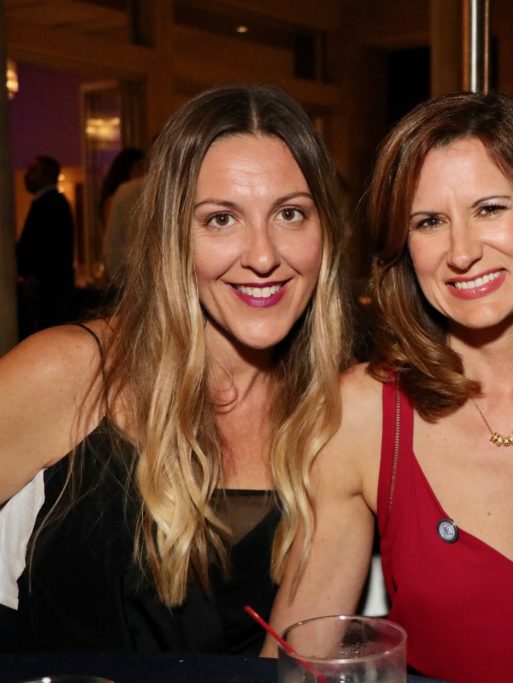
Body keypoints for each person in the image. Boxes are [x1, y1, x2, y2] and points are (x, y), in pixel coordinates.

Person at [266, 91, 513, 682]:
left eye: (489, 209)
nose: (462, 252)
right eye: (429, 222)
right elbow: (300, 658)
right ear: (403, 246)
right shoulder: (362, 415)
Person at [0, 84, 350, 654]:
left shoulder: (338, 412)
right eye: (221, 219)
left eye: (290, 214)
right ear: (172, 236)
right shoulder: (72, 372)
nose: (263, 256)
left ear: (325, 231)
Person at [16, 155, 75, 335]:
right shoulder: (47, 203)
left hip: (49, 288)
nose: (27, 176)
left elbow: (49, 248)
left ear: (48, 175)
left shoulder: (51, 204)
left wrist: (33, 276)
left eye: (34, 171)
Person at [99, 147, 146, 281]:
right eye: (139, 166)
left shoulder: (125, 194)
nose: (143, 170)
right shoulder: (119, 197)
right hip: (126, 270)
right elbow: (113, 238)